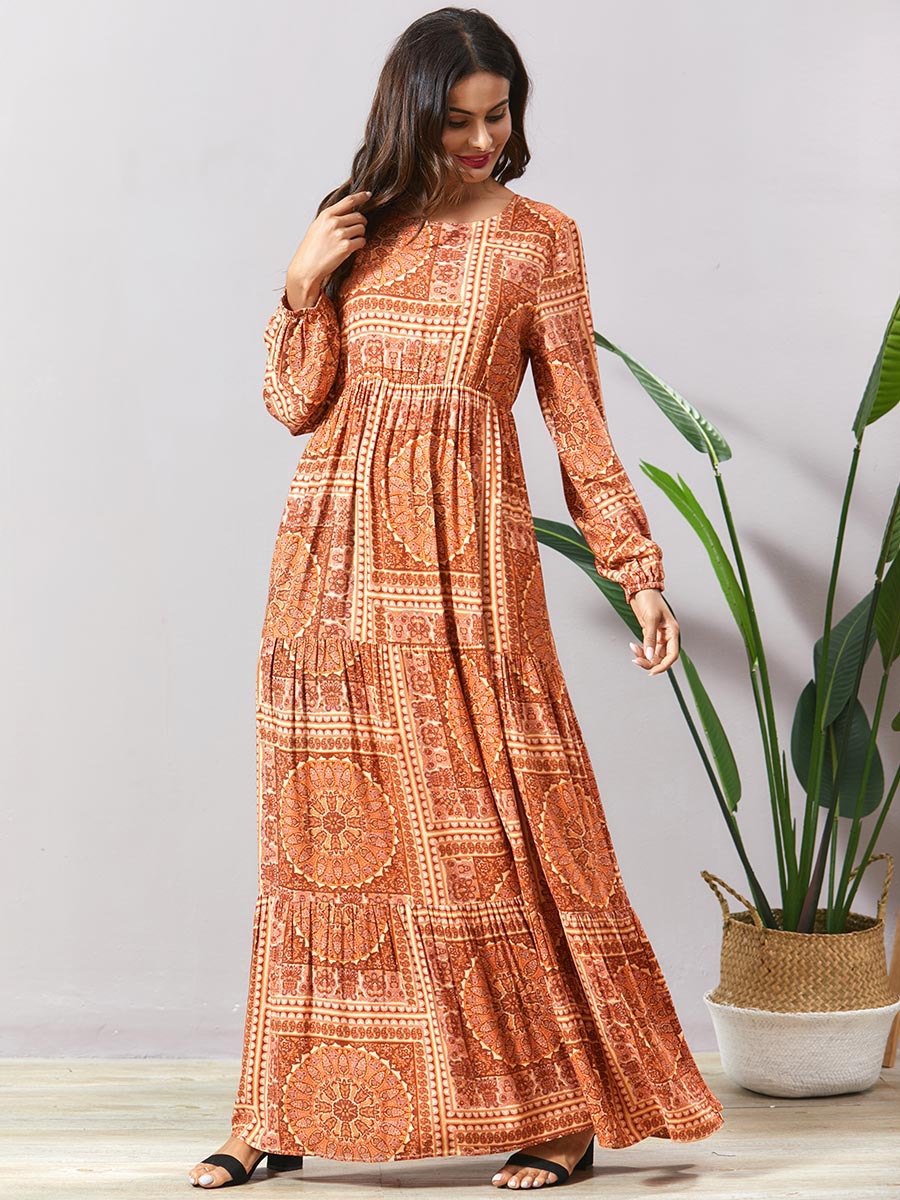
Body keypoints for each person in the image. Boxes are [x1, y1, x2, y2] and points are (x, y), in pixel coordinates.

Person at [189, 6, 724, 1191]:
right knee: (322, 840)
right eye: (459, 121)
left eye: (499, 116)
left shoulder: (541, 241)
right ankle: (277, 1110)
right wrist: (301, 284)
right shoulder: (355, 228)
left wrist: (636, 572)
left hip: (466, 566)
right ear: (411, 114)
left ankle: (558, 1113)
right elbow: (295, 404)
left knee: (491, 827)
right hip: (328, 567)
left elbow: (577, 422)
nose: (484, 141)